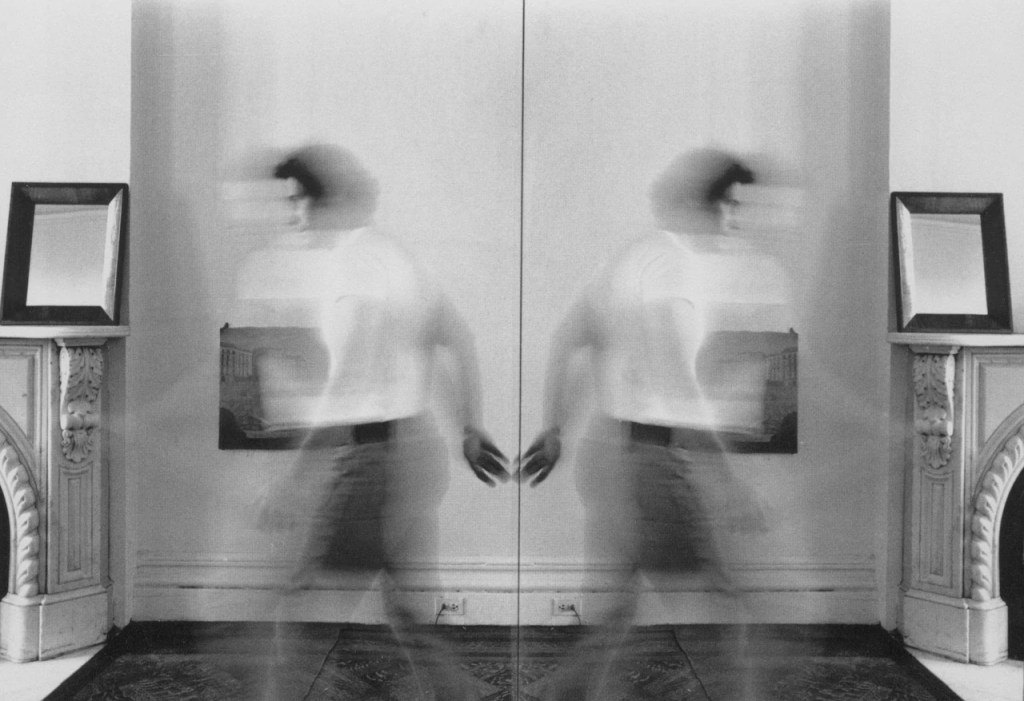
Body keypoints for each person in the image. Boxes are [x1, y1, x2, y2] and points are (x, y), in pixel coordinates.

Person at [520, 148, 794, 700]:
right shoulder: (673, 274)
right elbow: (685, 400)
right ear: (704, 203)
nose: (735, 219)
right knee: (737, 599)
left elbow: (571, 339)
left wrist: (555, 429)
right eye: (730, 206)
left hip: (619, 453)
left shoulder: (635, 260)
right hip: (660, 460)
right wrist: (730, 483)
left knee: (620, 611)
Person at [250, 143, 508, 699]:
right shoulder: (392, 259)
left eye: (297, 201)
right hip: (414, 448)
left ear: (324, 200)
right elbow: (455, 337)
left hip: (369, 460)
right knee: (407, 610)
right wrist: (469, 426)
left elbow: (342, 398)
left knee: (294, 599)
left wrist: (294, 481)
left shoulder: (352, 274)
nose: (293, 214)